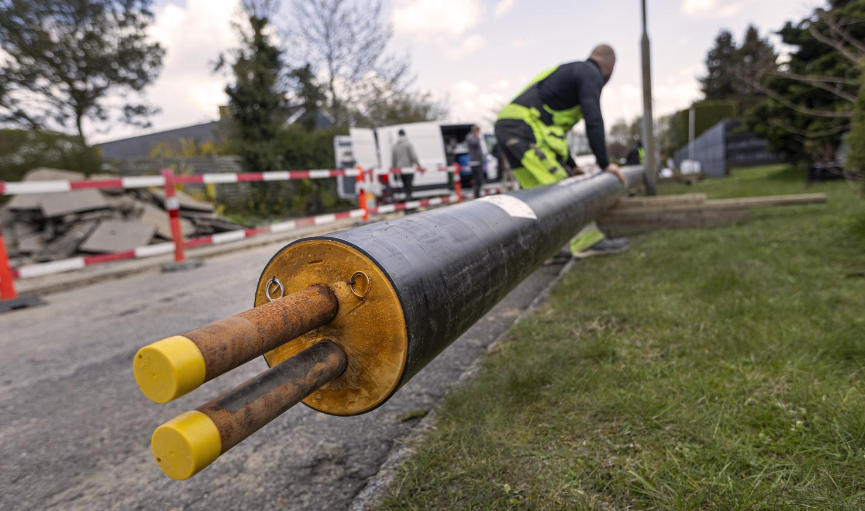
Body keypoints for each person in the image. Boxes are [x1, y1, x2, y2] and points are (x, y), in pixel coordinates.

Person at [494, 44, 630, 259]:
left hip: (509, 126)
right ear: (610, 65)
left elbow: (551, 136)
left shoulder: (571, 74)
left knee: (538, 194)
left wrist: (573, 165)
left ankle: (548, 251)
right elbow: (593, 119)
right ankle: (587, 242)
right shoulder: (590, 73)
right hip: (522, 128)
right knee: (562, 189)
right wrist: (605, 164)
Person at [392, 129, 420, 201]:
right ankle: (409, 201)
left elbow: (393, 159)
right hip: (408, 168)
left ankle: (407, 201)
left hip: (400, 169)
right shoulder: (408, 144)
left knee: (405, 185)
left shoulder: (395, 146)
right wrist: (419, 165)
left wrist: (394, 170)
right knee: (409, 185)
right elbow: (413, 156)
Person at [465, 126, 486, 198]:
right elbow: (475, 143)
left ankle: (477, 194)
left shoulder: (473, 136)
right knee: (478, 180)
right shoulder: (470, 137)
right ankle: (477, 195)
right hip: (475, 162)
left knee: (479, 180)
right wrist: (477, 136)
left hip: (478, 161)